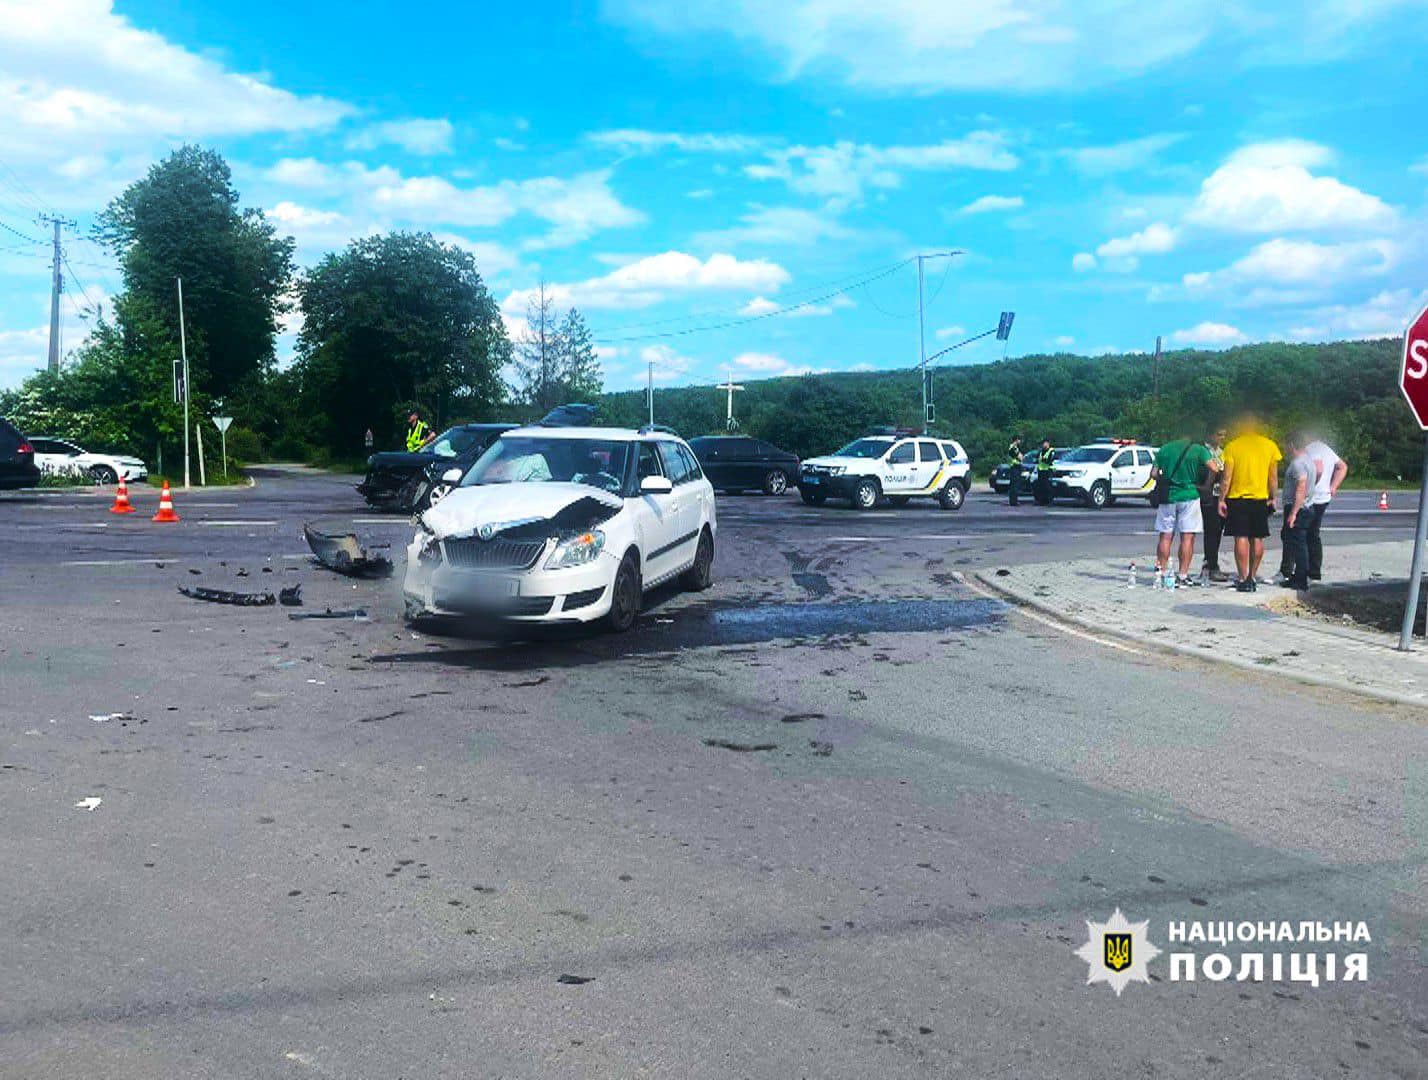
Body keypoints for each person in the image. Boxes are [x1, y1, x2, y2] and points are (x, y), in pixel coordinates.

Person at [1218, 415, 1282, 593]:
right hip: (1259, 498)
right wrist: (1273, 497)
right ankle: (1253, 576)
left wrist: (1221, 499)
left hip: (1237, 498)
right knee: (1258, 537)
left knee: (1241, 537)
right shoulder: (1269, 446)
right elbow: (1273, 477)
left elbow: (1226, 478)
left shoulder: (1233, 446)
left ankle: (1242, 576)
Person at [1152, 428, 1213, 586]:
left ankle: (1163, 573)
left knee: (1165, 536)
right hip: (1189, 495)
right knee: (1187, 537)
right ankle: (1183, 575)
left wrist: (1165, 478)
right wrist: (1206, 485)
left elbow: (1153, 474)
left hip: (1168, 496)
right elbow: (1214, 468)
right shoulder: (1198, 450)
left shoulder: (1165, 449)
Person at [1302, 435, 1348, 581]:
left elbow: (1319, 469)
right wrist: (1333, 486)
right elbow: (1342, 466)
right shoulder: (1324, 448)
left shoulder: (1312, 449)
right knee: (1313, 534)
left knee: (1304, 534)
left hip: (1313, 497)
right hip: (1324, 497)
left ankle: (1307, 570)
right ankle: (1313, 570)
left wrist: (1310, 486)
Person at [1278, 432, 1316, 592]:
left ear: (1292, 445)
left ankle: (1300, 577)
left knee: (1298, 544)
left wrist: (1293, 512)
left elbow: (1301, 486)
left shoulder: (1298, 464)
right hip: (1307, 506)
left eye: (1287, 445)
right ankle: (1298, 574)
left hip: (1298, 507)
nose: (1285, 449)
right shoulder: (1309, 461)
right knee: (1295, 540)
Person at [1199, 426, 1229, 582]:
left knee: (1217, 531)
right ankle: (1211, 566)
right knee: (1211, 531)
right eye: (1219, 434)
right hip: (1210, 496)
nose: (1221, 438)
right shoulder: (1204, 451)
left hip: (1220, 495)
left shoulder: (1221, 452)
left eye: (1224, 435)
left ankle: (1211, 562)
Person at [1032, 439, 1055, 506]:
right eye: (1042, 444)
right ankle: (1041, 501)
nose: (1043, 445)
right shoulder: (1041, 451)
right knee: (1040, 487)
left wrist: (1042, 459)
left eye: (1044, 443)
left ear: (1048, 443)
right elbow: (1036, 459)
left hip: (1048, 471)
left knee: (1048, 487)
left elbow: (1049, 460)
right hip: (1041, 470)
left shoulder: (1051, 451)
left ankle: (1049, 501)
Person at [1005, 435, 1024, 506]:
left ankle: (1013, 501)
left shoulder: (1013, 447)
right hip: (1015, 467)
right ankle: (1014, 501)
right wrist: (1021, 457)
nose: (1020, 441)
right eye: (1019, 440)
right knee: (1015, 485)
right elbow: (1021, 458)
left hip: (1014, 467)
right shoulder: (1013, 448)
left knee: (1014, 485)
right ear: (1016, 440)